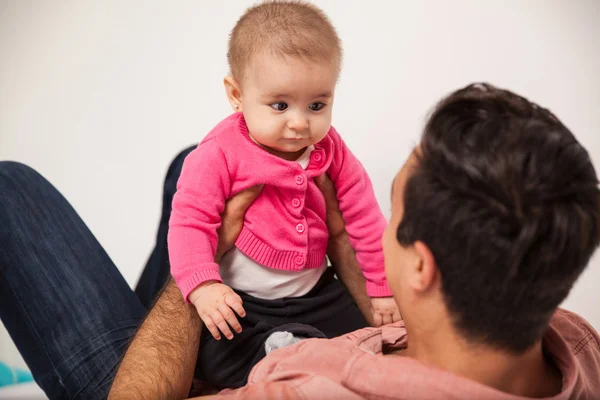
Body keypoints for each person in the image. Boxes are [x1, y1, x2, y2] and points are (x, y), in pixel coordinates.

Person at [0, 82, 598, 400]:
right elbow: (402, 317)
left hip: (196, 374)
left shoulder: (312, 392)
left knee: (10, 189)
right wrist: (342, 234)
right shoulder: (576, 343)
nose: (376, 229)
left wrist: (202, 262)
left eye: (389, 215)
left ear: (422, 265)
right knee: (201, 164)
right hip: (312, 332)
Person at [168, 1, 399, 388]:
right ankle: (278, 351)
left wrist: (381, 288)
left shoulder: (331, 150)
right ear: (236, 94)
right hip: (246, 300)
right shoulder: (218, 153)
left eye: (317, 105)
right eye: (280, 105)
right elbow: (190, 221)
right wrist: (204, 284)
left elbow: (364, 216)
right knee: (218, 346)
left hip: (316, 288)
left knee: (366, 333)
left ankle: (299, 348)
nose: (299, 123)